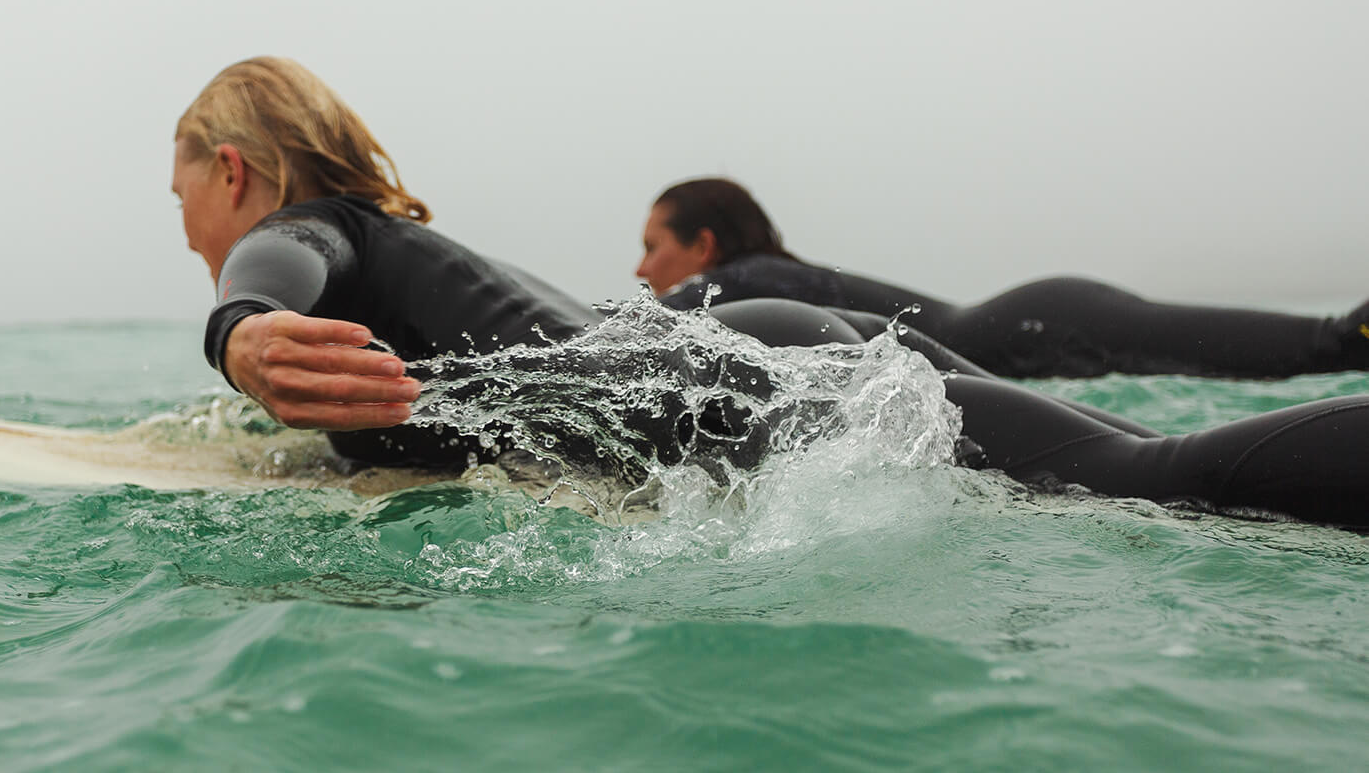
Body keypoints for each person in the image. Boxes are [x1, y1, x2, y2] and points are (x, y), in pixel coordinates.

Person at [176, 57, 1369, 530]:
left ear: (232, 169)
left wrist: (242, 333)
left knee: (1160, 485)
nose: (183, 226)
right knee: (1150, 471)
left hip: (721, 382)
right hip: (752, 355)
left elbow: (273, 271)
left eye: (179, 189)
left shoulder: (309, 234)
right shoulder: (398, 256)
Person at [638, 178, 1369, 379]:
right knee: (1333, 350)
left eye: (652, 247)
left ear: (702, 247)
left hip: (1037, 328)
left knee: (1336, 344)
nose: (641, 270)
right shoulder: (770, 281)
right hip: (1037, 328)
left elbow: (618, 340)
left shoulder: (737, 283)